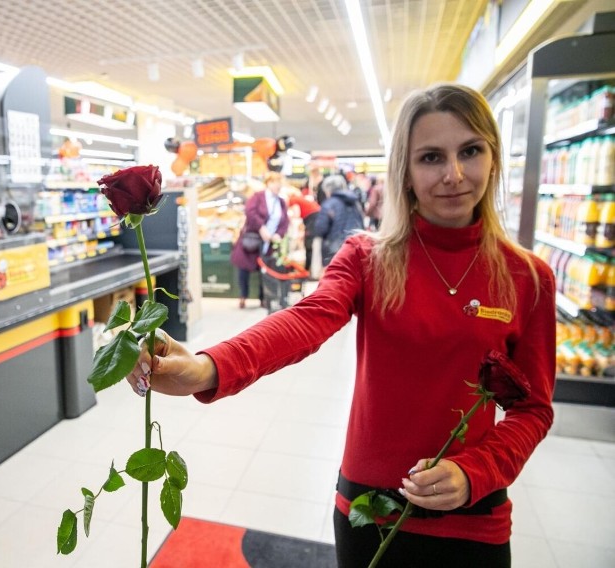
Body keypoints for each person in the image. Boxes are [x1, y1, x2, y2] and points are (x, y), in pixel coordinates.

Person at [127, 83, 555, 568]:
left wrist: (477, 471)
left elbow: (534, 409)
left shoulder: (528, 278)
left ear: (493, 158)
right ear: (406, 173)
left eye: (470, 151)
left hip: (474, 515)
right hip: (367, 509)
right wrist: (209, 367)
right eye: (432, 157)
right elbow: (307, 320)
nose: (454, 175)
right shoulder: (368, 258)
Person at [231, 171, 289, 309]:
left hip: (269, 244)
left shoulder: (280, 202)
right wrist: (261, 228)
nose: (278, 186)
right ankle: (243, 296)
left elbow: (285, 221)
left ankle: (264, 298)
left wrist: (278, 235)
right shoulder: (258, 197)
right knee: (244, 269)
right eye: (275, 182)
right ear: (268, 183)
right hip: (252, 241)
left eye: (279, 183)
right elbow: (250, 212)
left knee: (266, 270)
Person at [317, 173, 366, 264]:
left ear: (328, 189)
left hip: (334, 248)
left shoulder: (329, 204)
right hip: (355, 245)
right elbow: (361, 222)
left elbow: (321, 228)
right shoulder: (355, 202)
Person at [284, 186, 323, 279]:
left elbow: (296, 214)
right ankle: (309, 270)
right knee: (311, 245)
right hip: (315, 218)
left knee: (309, 245)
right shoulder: (300, 199)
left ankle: (308, 271)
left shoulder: (293, 200)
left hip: (312, 220)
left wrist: (288, 218)